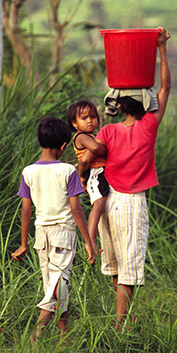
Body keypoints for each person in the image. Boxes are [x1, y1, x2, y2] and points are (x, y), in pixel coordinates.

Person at [81, 27, 171, 325]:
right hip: (131, 203)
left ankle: (118, 321)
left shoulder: (107, 131)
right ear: (145, 106)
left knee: (116, 265)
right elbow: (165, 89)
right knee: (129, 270)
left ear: (119, 107)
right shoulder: (148, 127)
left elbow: (92, 157)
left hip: (107, 202)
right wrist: (162, 50)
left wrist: (82, 173)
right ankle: (121, 327)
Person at [11, 116, 95, 342]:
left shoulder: (28, 172)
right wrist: (88, 241)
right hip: (62, 234)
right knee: (58, 284)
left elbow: (26, 211)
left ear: (39, 142)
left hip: (41, 236)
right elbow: (76, 210)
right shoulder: (67, 171)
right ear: (64, 146)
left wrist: (23, 243)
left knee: (56, 283)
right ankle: (37, 333)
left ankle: (63, 333)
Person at [67, 100, 108, 253]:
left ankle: (97, 237)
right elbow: (97, 148)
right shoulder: (81, 136)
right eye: (84, 118)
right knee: (98, 204)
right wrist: (104, 144)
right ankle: (90, 239)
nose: (90, 121)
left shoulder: (91, 135)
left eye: (93, 117)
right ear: (75, 123)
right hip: (95, 172)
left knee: (102, 204)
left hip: (100, 172)